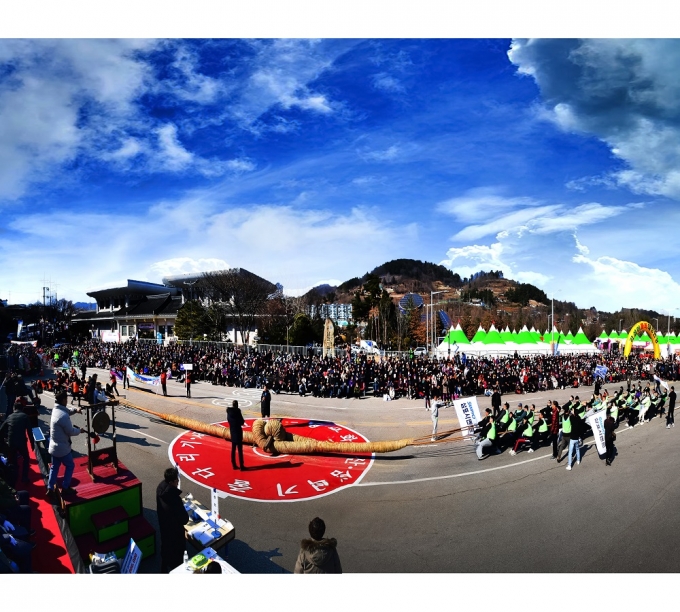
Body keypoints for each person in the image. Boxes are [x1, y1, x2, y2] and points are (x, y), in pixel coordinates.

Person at [47, 388, 85, 498]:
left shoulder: (56, 410)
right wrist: (80, 431)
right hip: (62, 448)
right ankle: (65, 487)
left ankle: (50, 488)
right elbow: (70, 431)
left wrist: (76, 410)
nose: (67, 401)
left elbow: (66, 410)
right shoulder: (63, 416)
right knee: (70, 466)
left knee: (54, 467)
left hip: (54, 446)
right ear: (63, 400)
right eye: (66, 399)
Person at [156, 467, 189, 573]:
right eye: (176, 480)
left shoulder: (160, 488)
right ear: (172, 481)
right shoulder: (174, 499)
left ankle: (164, 568)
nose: (178, 481)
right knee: (177, 555)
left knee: (165, 548)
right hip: (175, 532)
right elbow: (184, 519)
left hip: (163, 525)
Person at [0, 402, 34, 485]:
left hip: (11, 442)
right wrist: (32, 444)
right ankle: (24, 477)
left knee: (13, 459)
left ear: (14, 408)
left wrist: (3, 442)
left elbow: (1, 430)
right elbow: (30, 432)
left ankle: (14, 477)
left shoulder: (10, 416)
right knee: (26, 458)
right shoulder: (25, 416)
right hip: (21, 442)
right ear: (22, 409)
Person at [226, 400, 245, 471]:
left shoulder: (229, 413)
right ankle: (241, 465)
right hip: (238, 432)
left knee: (233, 449)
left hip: (232, 431)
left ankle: (233, 464)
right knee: (240, 450)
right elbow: (241, 422)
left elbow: (229, 420)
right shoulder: (238, 412)